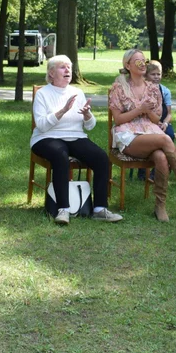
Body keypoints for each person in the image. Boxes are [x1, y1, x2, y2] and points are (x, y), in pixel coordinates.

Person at [109, 49, 176, 222]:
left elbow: (156, 119)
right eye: (137, 60)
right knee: (165, 138)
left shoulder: (153, 89)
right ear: (127, 65)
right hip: (128, 135)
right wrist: (140, 109)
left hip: (150, 131)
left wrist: (147, 111)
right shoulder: (119, 87)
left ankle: (160, 206)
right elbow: (118, 120)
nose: (142, 63)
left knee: (161, 157)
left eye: (143, 60)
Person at [31, 55, 123, 225]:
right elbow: (42, 125)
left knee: (101, 157)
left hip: (75, 136)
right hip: (46, 138)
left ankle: (100, 209)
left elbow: (89, 126)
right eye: (62, 67)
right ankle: (63, 210)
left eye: (69, 67)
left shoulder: (77, 92)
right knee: (60, 156)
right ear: (51, 73)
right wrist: (62, 111)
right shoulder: (43, 94)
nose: (68, 70)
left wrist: (88, 115)